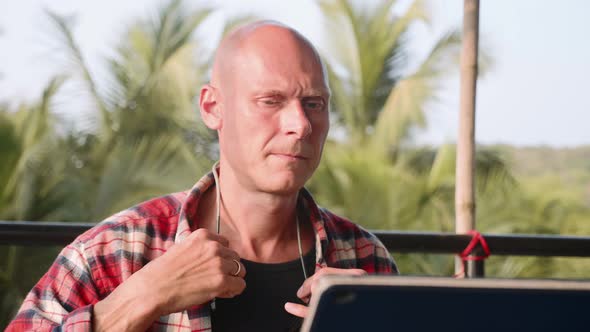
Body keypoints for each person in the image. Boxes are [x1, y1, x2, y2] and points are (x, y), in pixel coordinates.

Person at [7, 21, 397, 331]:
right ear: (212, 108)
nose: (300, 124)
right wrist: (142, 297)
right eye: (270, 101)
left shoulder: (364, 257)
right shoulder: (113, 250)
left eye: (314, 104)